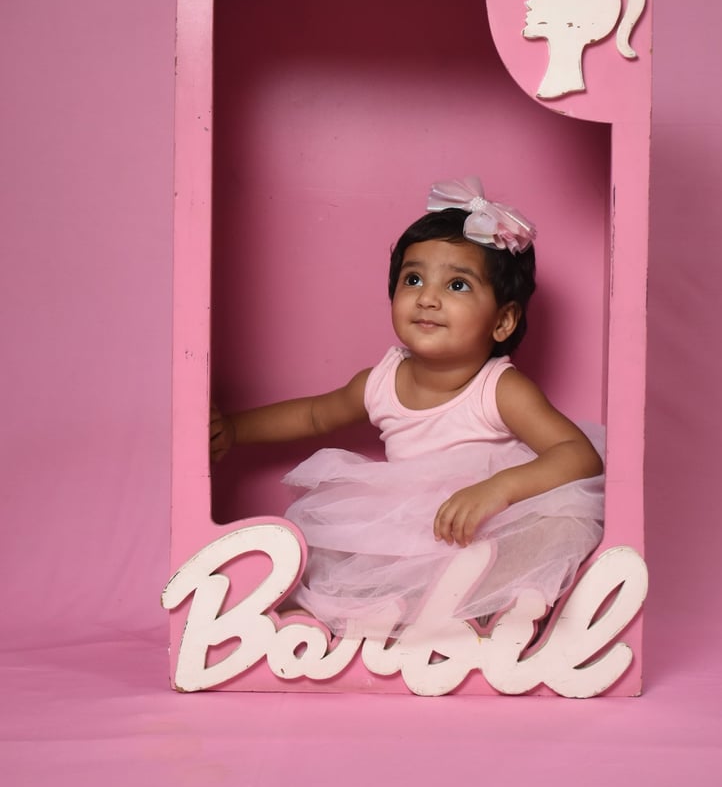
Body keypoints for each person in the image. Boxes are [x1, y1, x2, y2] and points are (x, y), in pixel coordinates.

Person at [210, 177, 604, 636]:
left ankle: (486, 615)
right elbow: (315, 414)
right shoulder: (382, 381)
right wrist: (235, 430)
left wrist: (499, 489)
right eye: (413, 279)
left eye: (457, 284)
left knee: (559, 526)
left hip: (485, 527)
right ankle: (340, 617)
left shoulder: (500, 389)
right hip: (411, 531)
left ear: (502, 321)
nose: (428, 297)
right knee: (349, 556)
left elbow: (578, 455)